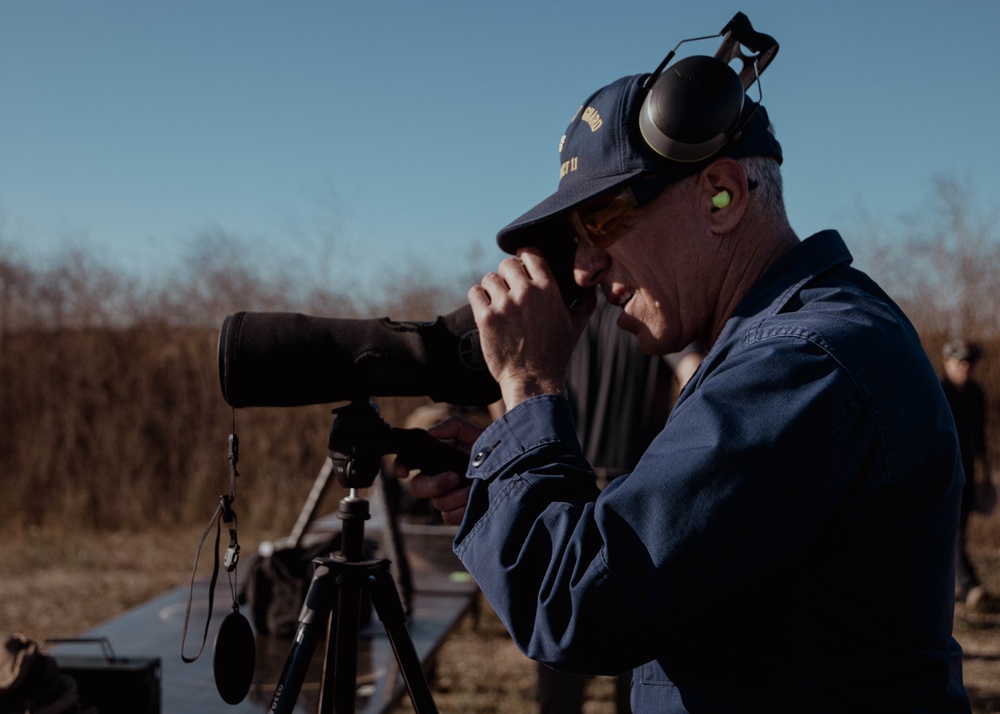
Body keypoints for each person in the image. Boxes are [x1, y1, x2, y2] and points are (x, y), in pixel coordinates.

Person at [396, 21, 970, 712]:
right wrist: (503, 480)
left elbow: (579, 606)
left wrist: (526, 388)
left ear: (721, 195)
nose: (584, 265)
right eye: (574, 240)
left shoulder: (802, 365)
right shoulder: (785, 346)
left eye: (602, 221)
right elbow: (649, 562)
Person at [537, 294, 703, 714]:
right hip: (636, 493)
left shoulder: (555, 317)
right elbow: (694, 370)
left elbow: (502, 392)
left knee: (563, 638)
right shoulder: (647, 311)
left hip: (568, 490)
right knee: (635, 650)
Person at [941, 339, 992, 608]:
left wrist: (985, 472)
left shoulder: (975, 393)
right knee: (951, 527)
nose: (965, 366)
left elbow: (980, 436)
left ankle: (958, 584)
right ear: (946, 361)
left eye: (970, 361)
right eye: (960, 360)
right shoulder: (937, 390)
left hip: (968, 470)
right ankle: (968, 584)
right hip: (943, 472)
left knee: (962, 527)